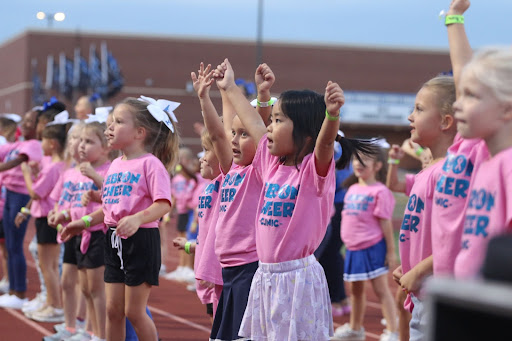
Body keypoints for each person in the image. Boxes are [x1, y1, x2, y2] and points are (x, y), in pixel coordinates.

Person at [213, 58, 377, 340]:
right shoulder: (270, 164)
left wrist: (332, 115)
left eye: (278, 121)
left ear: (304, 133)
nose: (270, 128)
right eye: (272, 120)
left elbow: (325, 143)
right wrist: (230, 87)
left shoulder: (314, 173)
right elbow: (253, 121)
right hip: (264, 277)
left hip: (296, 280)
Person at [61, 96, 179, 341]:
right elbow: (108, 209)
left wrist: (137, 218)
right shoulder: (115, 165)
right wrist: (81, 223)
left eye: (117, 122)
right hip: (113, 240)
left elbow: (164, 204)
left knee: (133, 312)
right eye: (110, 122)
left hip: (141, 240)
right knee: (113, 310)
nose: (109, 127)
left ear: (139, 132)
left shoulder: (151, 164)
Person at [190, 61, 270, 341]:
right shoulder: (230, 170)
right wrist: (210, 95)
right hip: (228, 270)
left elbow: (254, 127)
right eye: (233, 134)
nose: (234, 140)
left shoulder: (259, 171)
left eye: (243, 134)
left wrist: (259, 95)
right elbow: (219, 134)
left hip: (249, 268)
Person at [387, 75, 457, 340]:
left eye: (419, 108)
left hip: (436, 295)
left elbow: (454, 239)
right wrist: (409, 266)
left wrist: (419, 270)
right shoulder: (430, 171)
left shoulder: (448, 172)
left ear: (445, 121)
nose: (410, 117)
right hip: (422, 292)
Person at [432, 0, 490, 279]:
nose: (459, 105)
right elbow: (462, 71)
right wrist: (454, 18)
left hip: (472, 285)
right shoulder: (462, 144)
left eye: (473, 98)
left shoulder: (489, 150)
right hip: (444, 281)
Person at [452, 46, 512, 278]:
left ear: (506, 109)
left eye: (471, 95)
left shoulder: (508, 164)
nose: (457, 104)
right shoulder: (487, 160)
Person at [333, 149, 398, 341]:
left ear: (377, 166)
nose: (358, 163)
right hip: (353, 250)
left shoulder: (380, 191)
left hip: (373, 247)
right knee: (356, 291)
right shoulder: (351, 189)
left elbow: (385, 223)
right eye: (356, 159)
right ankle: (355, 329)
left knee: (381, 290)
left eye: (365, 160)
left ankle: (393, 331)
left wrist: (391, 251)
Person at [16, 122, 69, 322]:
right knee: (50, 265)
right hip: (48, 216)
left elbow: (35, 193)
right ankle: (51, 302)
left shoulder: (54, 167)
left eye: (44, 140)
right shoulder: (59, 165)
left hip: (46, 218)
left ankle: (55, 305)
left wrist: (27, 175)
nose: (41, 144)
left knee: (49, 266)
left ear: (53, 143)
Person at [0, 108, 43, 309]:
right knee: (9, 245)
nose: (24, 125)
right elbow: (4, 153)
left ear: (39, 127)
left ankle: (19, 292)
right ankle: (12, 289)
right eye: (24, 121)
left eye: (29, 122)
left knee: (16, 245)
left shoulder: (34, 145)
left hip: (20, 195)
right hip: (9, 194)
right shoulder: (17, 144)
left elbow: (17, 161)